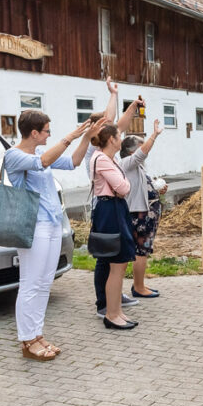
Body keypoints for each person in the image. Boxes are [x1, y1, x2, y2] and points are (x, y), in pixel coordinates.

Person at [5, 110, 101, 360]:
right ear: (34, 133)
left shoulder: (39, 152)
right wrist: (71, 135)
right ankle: (26, 340)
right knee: (30, 283)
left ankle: (36, 334)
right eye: (47, 130)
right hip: (32, 226)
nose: (50, 135)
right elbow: (43, 162)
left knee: (45, 282)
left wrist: (86, 138)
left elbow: (72, 163)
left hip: (51, 223)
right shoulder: (14, 155)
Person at [88, 77, 144, 319]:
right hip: (106, 207)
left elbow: (116, 123)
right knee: (107, 260)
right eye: (112, 131)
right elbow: (122, 187)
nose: (119, 135)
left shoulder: (106, 151)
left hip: (112, 206)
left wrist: (129, 105)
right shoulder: (98, 154)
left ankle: (112, 303)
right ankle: (105, 305)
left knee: (112, 260)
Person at [89, 124, 137, 329]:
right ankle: (111, 314)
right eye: (119, 136)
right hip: (110, 210)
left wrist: (121, 187)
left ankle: (116, 311)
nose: (121, 139)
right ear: (111, 139)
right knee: (116, 263)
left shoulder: (109, 159)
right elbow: (124, 187)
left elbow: (123, 186)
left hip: (114, 208)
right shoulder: (101, 159)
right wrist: (121, 187)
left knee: (120, 263)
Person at [119, 121, 166, 298]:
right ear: (132, 151)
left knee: (143, 250)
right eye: (140, 147)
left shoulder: (136, 166)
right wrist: (154, 135)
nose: (145, 150)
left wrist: (157, 188)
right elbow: (142, 153)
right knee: (141, 251)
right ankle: (138, 287)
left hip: (145, 214)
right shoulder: (127, 162)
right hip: (139, 216)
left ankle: (140, 285)